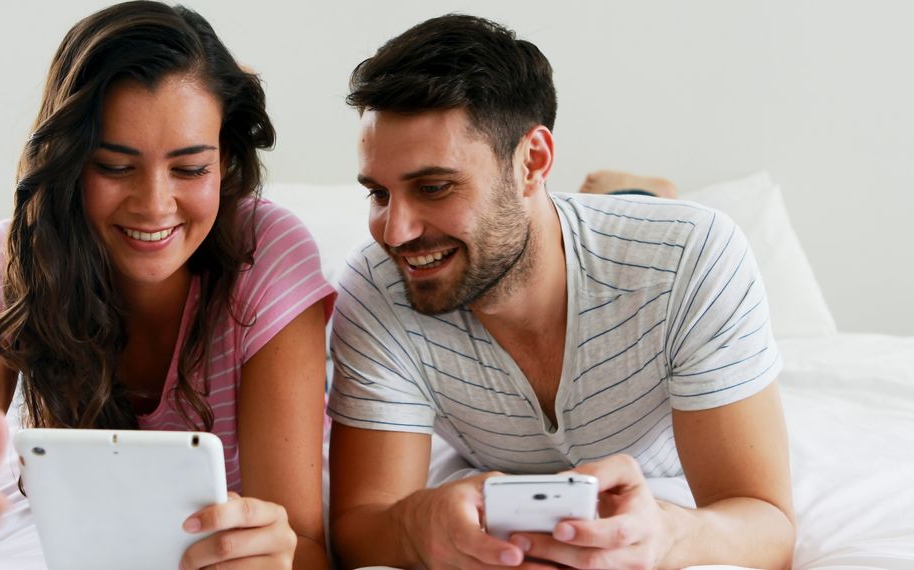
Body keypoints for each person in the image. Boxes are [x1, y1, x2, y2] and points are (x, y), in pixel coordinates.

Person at [0, 2, 334, 568]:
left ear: (225, 163)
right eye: (114, 166)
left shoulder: (268, 255)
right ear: (68, 163)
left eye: (190, 168)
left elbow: (305, 550)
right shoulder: (14, 258)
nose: (155, 205)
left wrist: (272, 555)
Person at [327, 14, 795, 570]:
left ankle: (637, 193)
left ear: (534, 162)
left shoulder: (691, 256)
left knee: (638, 228)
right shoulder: (378, 286)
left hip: (637, 276)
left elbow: (768, 524)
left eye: (434, 187)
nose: (395, 232)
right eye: (379, 193)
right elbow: (360, 526)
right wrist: (414, 525)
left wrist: (668, 536)